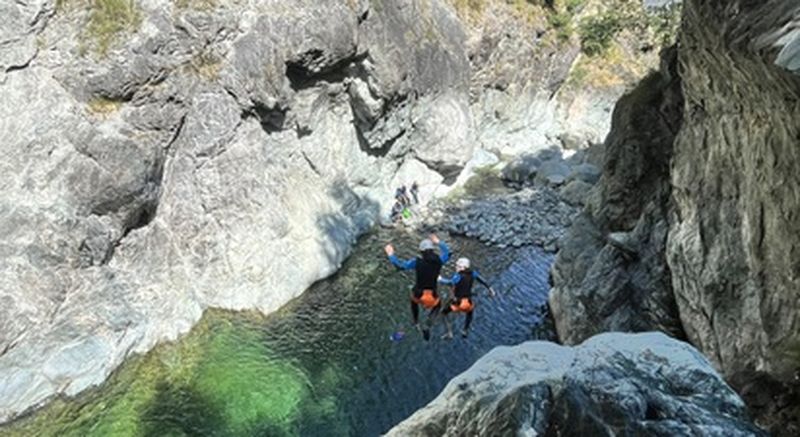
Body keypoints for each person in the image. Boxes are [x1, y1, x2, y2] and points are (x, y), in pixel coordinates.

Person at [385, 234, 450, 340]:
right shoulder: (439, 261)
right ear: (432, 250)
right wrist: (438, 242)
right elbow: (448, 253)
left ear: (421, 252)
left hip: (418, 295)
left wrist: (391, 254)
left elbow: (400, 266)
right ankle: (428, 325)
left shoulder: (416, 262)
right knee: (437, 306)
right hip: (432, 296)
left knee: (413, 301)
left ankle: (415, 322)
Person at [439, 257, 495, 339]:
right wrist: (490, 289)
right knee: (469, 314)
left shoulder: (458, 276)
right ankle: (465, 330)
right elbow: (481, 280)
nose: (456, 267)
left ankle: (449, 333)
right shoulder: (473, 273)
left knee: (443, 313)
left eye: (457, 266)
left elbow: (450, 283)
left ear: (463, 267)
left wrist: (440, 279)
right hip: (468, 303)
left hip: (458, 303)